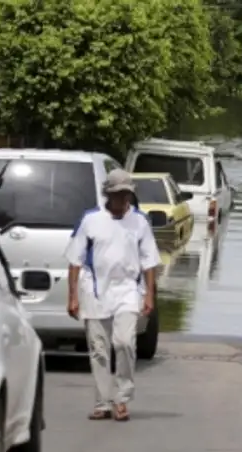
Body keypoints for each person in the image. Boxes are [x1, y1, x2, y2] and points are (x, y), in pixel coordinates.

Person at [65, 169, 161, 422]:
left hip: (128, 290)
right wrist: (72, 296)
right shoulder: (90, 219)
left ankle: (122, 398)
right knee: (98, 349)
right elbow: (74, 261)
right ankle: (103, 402)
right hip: (95, 291)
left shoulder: (140, 221)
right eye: (118, 194)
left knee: (125, 343)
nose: (123, 199)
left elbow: (150, 262)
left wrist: (149, 296)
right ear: (108, 194)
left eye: (127, 194)